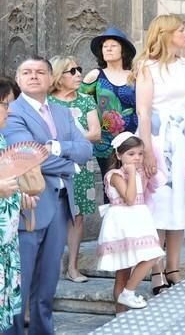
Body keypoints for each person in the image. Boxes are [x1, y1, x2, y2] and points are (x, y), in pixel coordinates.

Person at [2, 56, 93, 335]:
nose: (33, 76)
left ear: (50, 78)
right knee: (20, 279)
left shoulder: (62, 112)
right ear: (18, 80)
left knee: (48, 278)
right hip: (29, 205)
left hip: (62, 202)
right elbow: (25, 157)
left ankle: (44, 330)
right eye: (27, 72)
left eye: (40, 72)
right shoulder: (10, 111)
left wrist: (52, 148)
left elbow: (86, 149)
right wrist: (70, 162)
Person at [134, 15, 185, 295]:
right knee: (161, 202)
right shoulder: (147, 67)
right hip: (159, 135)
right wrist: (147, 150)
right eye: (180, 30)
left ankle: (173, 267)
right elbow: (143, 111)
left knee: (182, 202)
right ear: (164, 34)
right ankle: (155, 270)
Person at [96, 133, 165, 310]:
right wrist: (133, 174)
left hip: (138, 219)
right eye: (131, 154)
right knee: (124, 268)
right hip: (122, 222)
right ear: (119, 155)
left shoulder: (138, 173)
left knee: (151, 254)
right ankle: (125, 300)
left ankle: (127, 294)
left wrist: (144, 173)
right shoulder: (115, 175)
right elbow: (130, 198)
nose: (137, 158)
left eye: (140, 154)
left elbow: (156, 186)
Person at [48, 56, 101, 284]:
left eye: (79, 69)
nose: (79, 74)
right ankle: (50, 268)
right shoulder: (47, 103)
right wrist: (74, 143)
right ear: (59, 77)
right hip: (52, 166)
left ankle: (73, 267)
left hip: (80, 166)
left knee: (77, 216)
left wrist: (64, 144)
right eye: (72, 71)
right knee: (51, 216)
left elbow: (96, 134)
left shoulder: (86, 101)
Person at [0, 76, 38, 332]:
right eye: (5, 104)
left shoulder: (2, 139)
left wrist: (19, 197)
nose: (9, 110)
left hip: (6, 239)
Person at [81, 28, 138, 183]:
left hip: (133, 140)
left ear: (123, 51)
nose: (108, 49)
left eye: (113, 45)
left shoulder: (134, 76)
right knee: (111, 184)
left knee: (134, 183)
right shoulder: (95, 76)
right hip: (105, 142)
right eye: (105, 46)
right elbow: (81, 104)